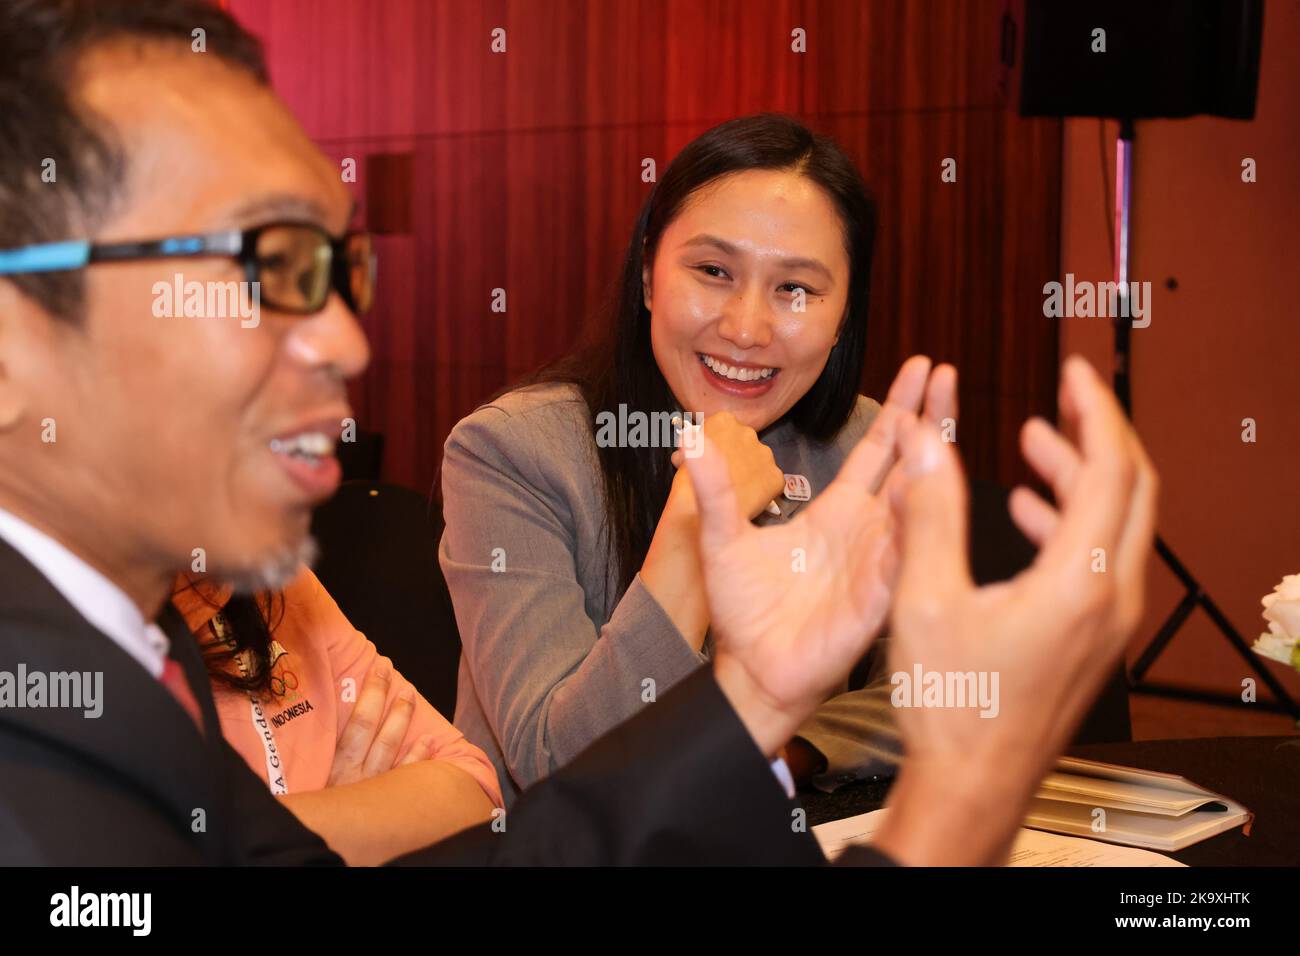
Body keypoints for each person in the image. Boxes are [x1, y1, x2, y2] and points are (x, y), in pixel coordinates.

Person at [0, 0, 1156, 867]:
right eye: (267, 267)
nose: (350, 339)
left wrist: (757, 695)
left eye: (342, 269)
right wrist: (962, 790)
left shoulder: (123, 645)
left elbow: (494, 815)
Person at [440, 114, 951, 803]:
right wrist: (690, 527)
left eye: (795, 289)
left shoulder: (865, 446)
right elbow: (558, 765)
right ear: (649, 275)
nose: (746, 328)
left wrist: (780, 751)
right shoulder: (514, 452)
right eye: (713, 271)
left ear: (843, 317)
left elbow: (932, 690)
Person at [173, 569, 501, 865]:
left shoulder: (279, 582)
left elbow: (476, 801)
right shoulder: (130, 652)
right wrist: (349, 817)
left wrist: (331, 817)